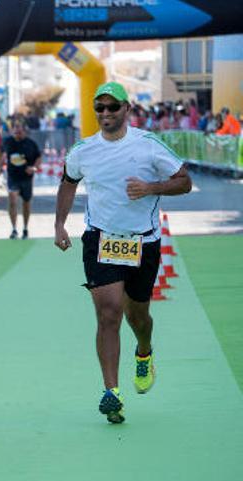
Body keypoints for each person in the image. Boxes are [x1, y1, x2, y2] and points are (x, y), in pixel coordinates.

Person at [54, 82, 192, 424]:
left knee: (138, 317)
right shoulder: (83, 150)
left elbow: (184, 181)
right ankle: (111, 392)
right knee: (109, 313)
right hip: (100, 241)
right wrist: (60, 224)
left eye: (112, 107)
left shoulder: (147, 145)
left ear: (126, 109)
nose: (105, 113)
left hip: (143, 242)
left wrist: (152, 187)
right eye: (99, 107)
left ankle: (143, 351)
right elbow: (68, 183)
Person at [1, 119, 41, 239]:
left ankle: (25, 228)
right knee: (12, 199)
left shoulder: (31, 143)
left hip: (26, 178)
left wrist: (34, 168)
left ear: (24, 131)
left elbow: (38, 158)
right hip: (13, 176)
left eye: (19, 129)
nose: (17, 131)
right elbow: (0, 152)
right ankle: (14, 229)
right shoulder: (8, 141)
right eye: (15, 129)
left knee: (26, 203)